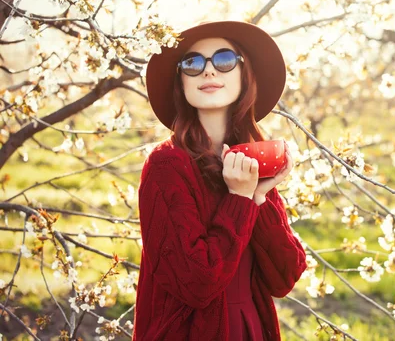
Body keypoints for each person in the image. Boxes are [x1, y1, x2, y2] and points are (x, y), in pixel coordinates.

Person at [132, 20, 308, 340]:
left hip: (249, 327)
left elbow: (285, 277)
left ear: (244, 74)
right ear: (180, 81)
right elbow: (198, 284)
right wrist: (239, 200)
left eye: (225, 60)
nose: (209, 72)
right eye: (193, 63)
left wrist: (259, 197)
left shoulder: (251, 163)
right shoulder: (166, 166)